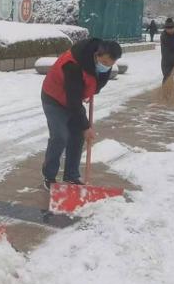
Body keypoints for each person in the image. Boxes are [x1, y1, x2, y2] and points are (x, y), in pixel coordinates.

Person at [40, 38, 122, 190]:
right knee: (60, 136)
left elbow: (97, 83)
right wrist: (86, 126)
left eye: (110, 64)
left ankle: (71, 176)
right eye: (104, 63)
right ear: (97, 55)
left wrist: (90, 92)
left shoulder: (103, 63)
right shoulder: (73, 64)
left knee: (77, 136)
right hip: (54, 98)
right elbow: (73, 101)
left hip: (73, 98)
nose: (106, 67)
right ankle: (49, 176)